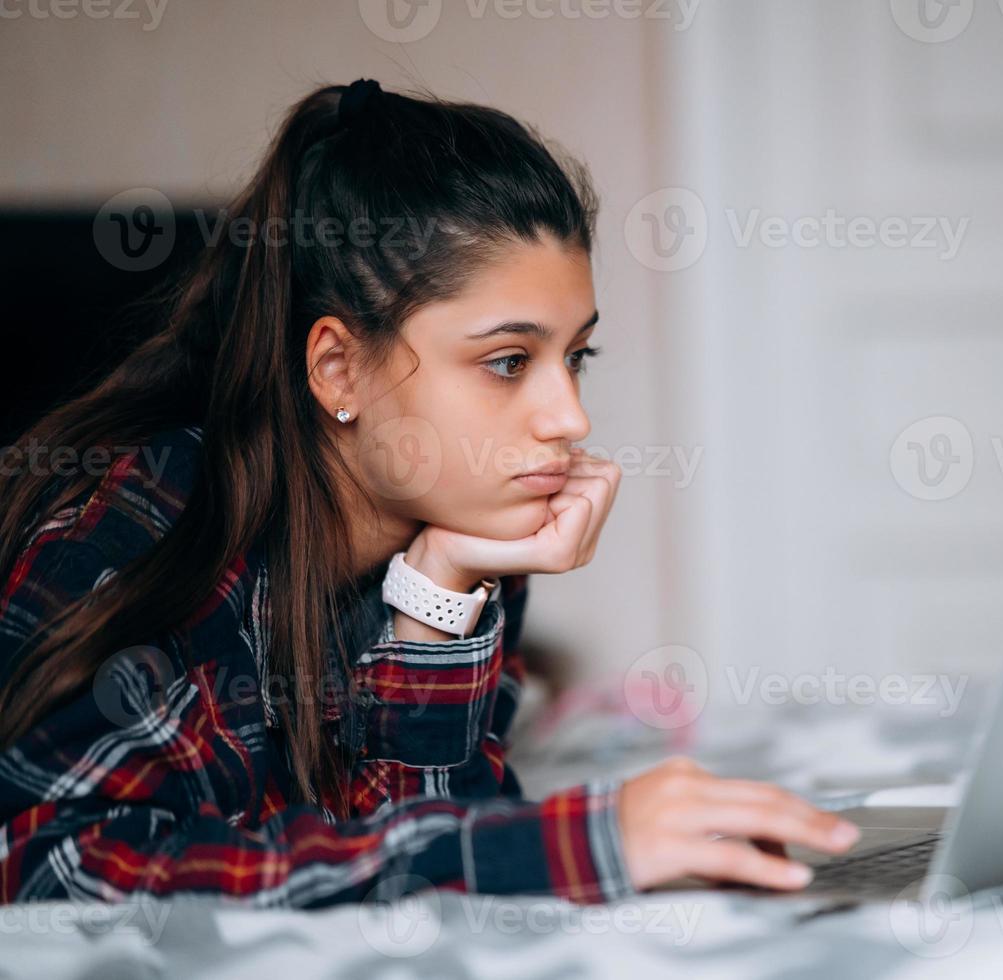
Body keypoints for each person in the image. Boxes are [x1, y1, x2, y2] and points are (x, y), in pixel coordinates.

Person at [0, 79, 858, 907]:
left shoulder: (467, 538)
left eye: (576, 357)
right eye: (509, 362)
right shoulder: (141, 539)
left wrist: (435, 598)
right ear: (339, 369)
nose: (569, 418)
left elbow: (409, 889)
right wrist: (569, 845)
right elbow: (55, 876)